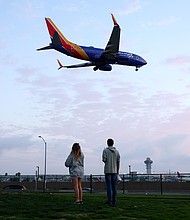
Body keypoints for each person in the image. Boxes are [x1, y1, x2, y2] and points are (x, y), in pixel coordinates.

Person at [102, 138, 120, 206]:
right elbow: (118, 161)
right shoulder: (117, 152)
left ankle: (109, 200)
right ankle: (114, 201)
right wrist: (117, 171)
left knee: (109, 187)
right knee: (114, 187)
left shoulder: (105, 151)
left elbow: (104, 160)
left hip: (107, 170)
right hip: (114, 171)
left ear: (107, 143)